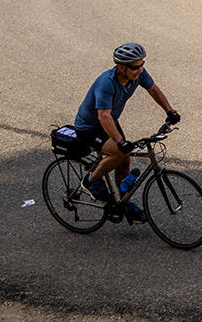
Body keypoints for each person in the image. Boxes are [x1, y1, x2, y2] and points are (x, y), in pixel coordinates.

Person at [73, 42, 180, 221]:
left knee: (125, 160)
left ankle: (125, 203)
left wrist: (169, 110)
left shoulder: (138, 74)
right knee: (120, 152)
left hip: (110, 122)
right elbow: (103, 116)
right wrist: (120, 143)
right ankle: (91, 181)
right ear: (121, 67)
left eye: (142, 64)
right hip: (90, 127)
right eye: (135, 67)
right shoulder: (106, 83)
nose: (140, 70)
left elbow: (153, 89)